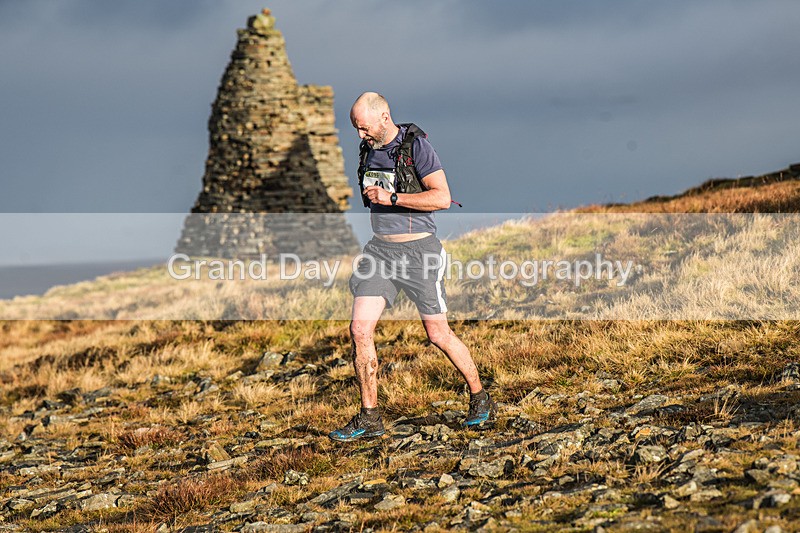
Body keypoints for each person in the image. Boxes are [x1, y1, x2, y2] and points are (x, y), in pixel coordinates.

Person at [328, 92, 496, 442]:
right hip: (379, 255)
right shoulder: (367, 149)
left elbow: (442, 198)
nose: (360, 136)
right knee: (359, 330)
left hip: (420, 253)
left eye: (364, 128)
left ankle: (481, 398)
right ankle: (370, 417)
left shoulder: (416, 146)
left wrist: (393, 198)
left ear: (384, 117)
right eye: (356, 129)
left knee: (437, 335)